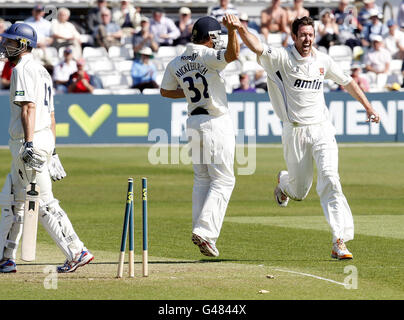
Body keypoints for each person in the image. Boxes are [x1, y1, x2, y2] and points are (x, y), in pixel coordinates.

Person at [233, 15, 380, 259]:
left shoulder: (323, 59)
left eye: (310, 34)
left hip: (322, 128)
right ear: (294, 37)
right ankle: (284, 182)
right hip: (295, 131)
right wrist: (240, 28)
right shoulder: (280, 58)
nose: (307, 39)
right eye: (303, 35)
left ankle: (339, 240)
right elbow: (257, 45)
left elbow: (348, 82)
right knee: (299, 192)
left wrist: (369, 107)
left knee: (331, 179)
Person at [0, 23, 93, 273]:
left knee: (43, 202)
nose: (5, 46)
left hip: (27, 142)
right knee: (12, 198)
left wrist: (30, 143)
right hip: (42, 140)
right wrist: (52, 150)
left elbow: (28, 108)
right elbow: (51, 115)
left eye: (10, 42)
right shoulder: (42, 71)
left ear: (22, 45)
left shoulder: (22, 69)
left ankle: (77, 251)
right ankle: (5, 256)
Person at [160, 14, 240, 257]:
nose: (220, 40)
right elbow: (233, 55)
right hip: (215, 120)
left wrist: (188, 93)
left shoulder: (176, 61)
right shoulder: (206, 55)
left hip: (193, 121)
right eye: (217, 36)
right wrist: (234, 30)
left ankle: (201, 232)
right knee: (224, 180)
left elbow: (165, 91)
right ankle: (205, 232)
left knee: (202, 179)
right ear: (209, 38)